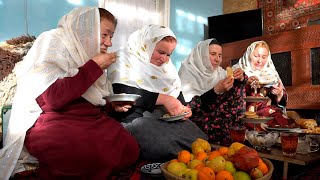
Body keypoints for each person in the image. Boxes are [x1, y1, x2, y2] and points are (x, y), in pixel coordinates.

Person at [0, 7, 139, 179]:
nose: (109, 43)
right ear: (85, 29)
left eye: (111, 37)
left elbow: (92, 100)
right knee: (86, 154)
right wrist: (93, 66)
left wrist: (112, 105)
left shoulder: (86, 53)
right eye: (105, 35)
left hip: (87, 120)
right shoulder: (52, 42)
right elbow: (53, 99)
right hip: (51, 120)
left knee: (130, 147)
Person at [107, 24, 208, 162]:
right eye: (161, 52)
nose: (165, 59)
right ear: (146, 45)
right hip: (135, 117)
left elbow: (175, 92)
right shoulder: (123, 59)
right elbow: (121, 91)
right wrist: (164, 99)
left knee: (200, 140)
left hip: (162, 116)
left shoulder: (167, 67)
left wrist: (184, 109)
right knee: (165, 147)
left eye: (168, 54)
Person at [178, 38, 247, 144]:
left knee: (236, 123)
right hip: (196, 119)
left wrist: (241, 78)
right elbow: (189, 108)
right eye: (213, 54)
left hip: (217, 117)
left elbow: (236, 95)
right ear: (202, 55)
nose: (217, 59)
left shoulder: (219, 73)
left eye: (219, 55)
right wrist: (215, 91)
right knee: (224, 127)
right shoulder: (187, 72)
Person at [233, 40, 295, 130]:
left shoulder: (270, 74)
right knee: (254, 124)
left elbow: (280, 103)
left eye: (264, 57)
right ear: (249, 55)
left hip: (267, 111)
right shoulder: (238, 71)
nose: (260, 61)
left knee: (281, 120)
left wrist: (279, 94)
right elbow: (230, 96)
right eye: (256, 56)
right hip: (244, 112)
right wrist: (244, 82)